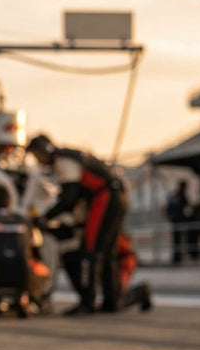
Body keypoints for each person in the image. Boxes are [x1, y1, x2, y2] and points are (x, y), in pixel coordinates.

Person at [26, 134, 127, 314]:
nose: (38, 160)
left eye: (36, 155)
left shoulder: (62, 160)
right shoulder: (68, 157)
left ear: (44, 150)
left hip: (104, 198)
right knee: (107, 252)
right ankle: (111, 300)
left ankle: (87, 302)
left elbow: (69, 198)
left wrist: (45, 217)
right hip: (114, 196)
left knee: (90, 250)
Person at [114, 232, 152, 312]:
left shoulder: (117, 237)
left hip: (123, 264)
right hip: (121, 262)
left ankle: (142, 291)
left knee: (116, 302)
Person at [165, 180, 190, 264]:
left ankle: (177, 256)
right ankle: (178, 256)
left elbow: (168, 207)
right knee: (180, 239)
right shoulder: (182, 195)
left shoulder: (174, 195)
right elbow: (187, 207)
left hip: (174, 220)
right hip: (180, 220)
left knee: (176, 239)